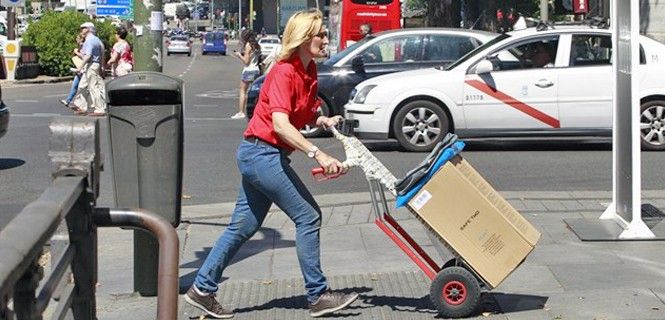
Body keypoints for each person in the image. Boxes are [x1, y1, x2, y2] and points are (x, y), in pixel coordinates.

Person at [184, 9, 358, 319]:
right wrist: (318, 153)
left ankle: (202, 289)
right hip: (260, 154)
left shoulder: (309, 72)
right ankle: (317, 296)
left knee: (243, 227)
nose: (325, 39)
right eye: (320, 34)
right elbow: (280, 124)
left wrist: (323, 118)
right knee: (308, 217)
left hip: (267, 155)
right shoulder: (283, 72)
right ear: (304, 39)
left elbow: (301, 115)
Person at [71, 22, 106, 117]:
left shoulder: (90, 40)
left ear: (88, 29)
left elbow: (88, 55)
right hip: (93, 65)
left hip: (91, 65)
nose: (81, 30)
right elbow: (103, 51)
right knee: (82, 86)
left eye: (83, 28)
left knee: (93, 87)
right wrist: (102, 66)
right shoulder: (97, 40)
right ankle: (81, 106)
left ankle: (99, 109)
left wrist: (80, 67)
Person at [231, 29, 261, 119]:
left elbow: (246, 61)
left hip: (248, 71)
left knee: (243, 90)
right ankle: (258, 111)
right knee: (256, 92)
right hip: (256, 70)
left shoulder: (248, 45)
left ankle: (241, 112)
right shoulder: (257, 45)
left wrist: (239, 55)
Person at [60, 31, 86, 107]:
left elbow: (85, 57)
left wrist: (77, 53)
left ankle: (81, 103)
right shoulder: (80, 46)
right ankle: (68, 100)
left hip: (83, 68)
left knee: (83, 87)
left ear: (81, 39)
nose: (76, 40)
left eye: (77, 38)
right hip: (79, 69)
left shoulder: (84, 46)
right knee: (75, 85)